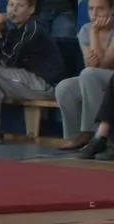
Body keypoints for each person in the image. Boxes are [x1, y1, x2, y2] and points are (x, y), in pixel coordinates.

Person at [0, 0, 66, 144]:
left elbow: (7, 61)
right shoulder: (14, 28)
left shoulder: (33, 28)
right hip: (27, 79)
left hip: (45, 84)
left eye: (20, 6)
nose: (13, 10)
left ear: (31, 9)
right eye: (11, 5)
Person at [55, 0, 114, 151]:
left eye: (100, 9)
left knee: (89, 74)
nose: (94, 14)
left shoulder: (93, 30)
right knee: (65, 87)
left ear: (111, 10)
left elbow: (106, 63)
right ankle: (76, 136)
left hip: (111, 79)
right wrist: (93, 31)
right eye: (91, 9)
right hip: (95, 76)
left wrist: (95, 32)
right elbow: (91, 63)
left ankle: (93, 134)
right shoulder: (85, 30)